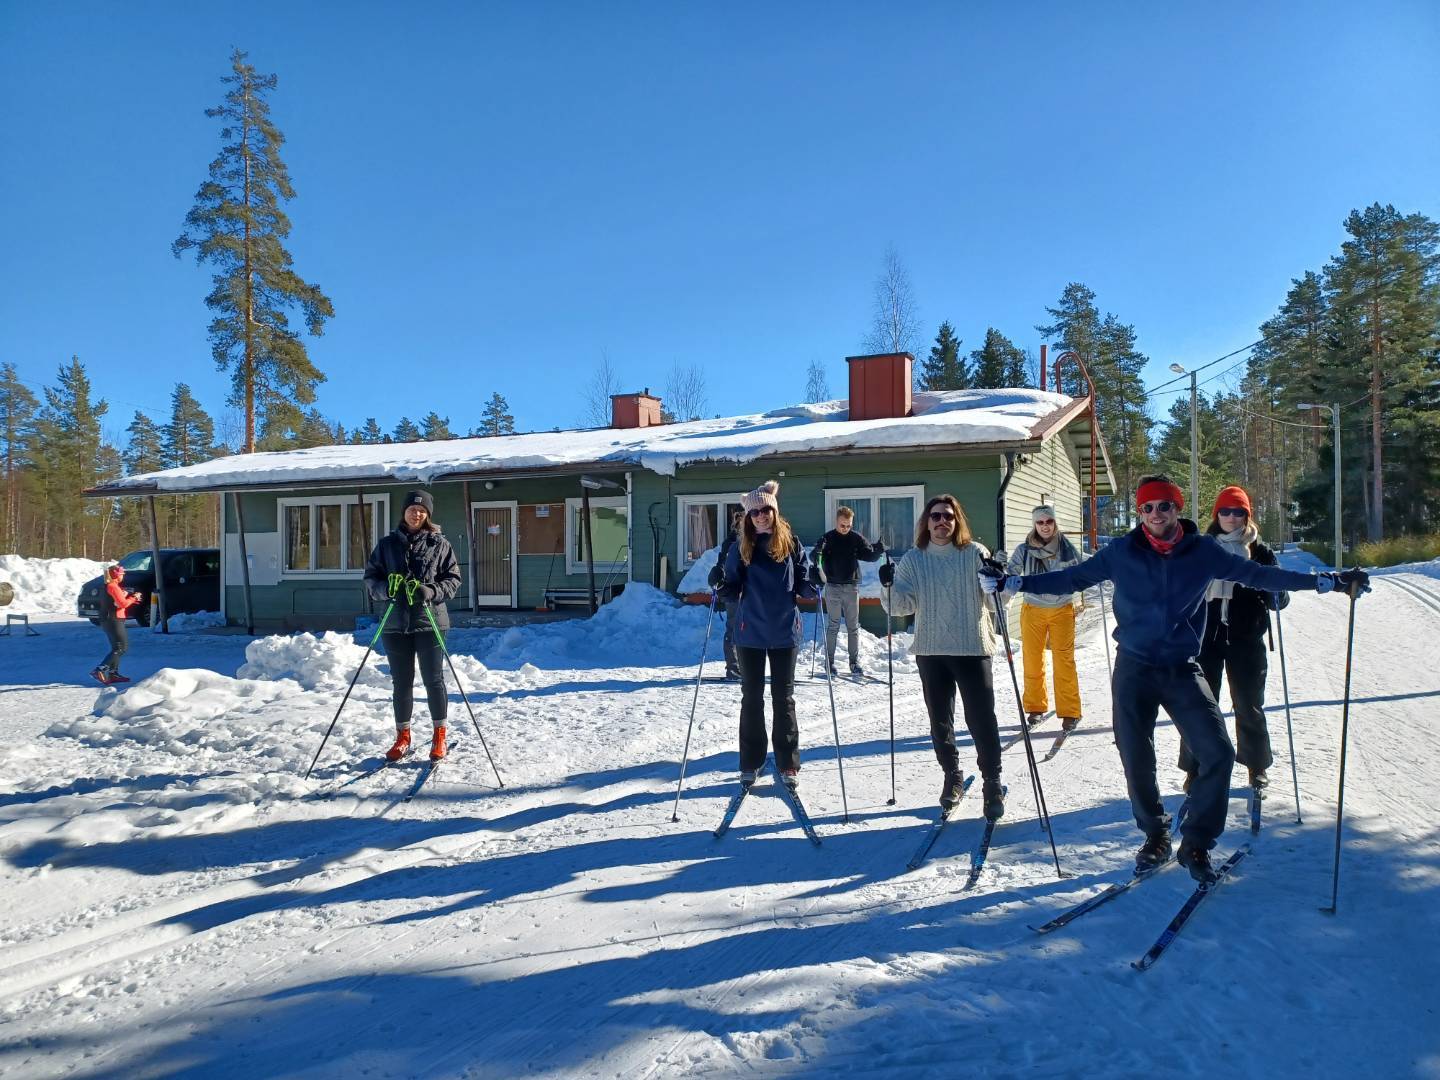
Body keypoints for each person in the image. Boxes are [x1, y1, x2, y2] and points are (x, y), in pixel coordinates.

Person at [981, 474, 1370, 883]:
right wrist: (1013, 582)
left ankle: (1196, 843)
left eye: (1163, 506)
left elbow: (1259, 575)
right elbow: (1070, 579)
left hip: (1182, 667)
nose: (1155, 514)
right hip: (1134, 667)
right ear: (1139, 512)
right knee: (1136, 758)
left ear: (1177, 509)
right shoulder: (1122, 552)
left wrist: (1326, 581)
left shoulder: (1201, 551)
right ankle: (1155, 835)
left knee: (1218, 753)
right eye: (1146, 507)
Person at [879, 494, 1006, 819]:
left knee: (981, 720)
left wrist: (998, 582)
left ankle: (992, 782)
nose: (942, 522)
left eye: (948, 516)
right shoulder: (913, 559)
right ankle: (952, 777)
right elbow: (900, 608)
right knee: (940, 722)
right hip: (931, 650)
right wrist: (888, 586)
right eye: (936, 516)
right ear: (927, 521)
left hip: (972, 648)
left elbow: (995, 604)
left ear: (957, 520)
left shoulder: (975, 554)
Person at [1178, 484, 1288, 793]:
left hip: (1246, 638)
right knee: (1199, 706)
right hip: (1205, 639)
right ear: (1217, 515)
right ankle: (1195, 769)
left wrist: (1275, 595)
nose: (1230, 516)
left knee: (1249, 704)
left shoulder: (1260, 552)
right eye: (1225, 511)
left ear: (1246, 516)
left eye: (1238, 511)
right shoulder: (1203, 549)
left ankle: (1256, 767)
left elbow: (1279, 594)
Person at [715, 480, 819, 788]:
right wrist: (720, 585)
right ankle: (751, 761)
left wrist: (815, 581)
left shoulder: (791, 544)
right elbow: (731, 590)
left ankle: (788, 763)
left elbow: (803, 585)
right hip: (750, 633)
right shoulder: (740, 548)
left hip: (785, 631)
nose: (761, 516)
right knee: (752, 698)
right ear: (748, 517)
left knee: (783, 699)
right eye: (755, 512)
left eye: (766, 510)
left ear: (775, 512)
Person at [363, 490, 463, 762]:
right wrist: (386, 589)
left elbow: (453, 580)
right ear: (404, 512)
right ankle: (402, 736)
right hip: (395, 623)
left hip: (430, 621)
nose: (416, 514)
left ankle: (439, 734)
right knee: (402, 683)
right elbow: (371, 579)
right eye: (412, 509)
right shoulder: (386, 545)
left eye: (422, 510)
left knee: (433, 680)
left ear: (428, 514)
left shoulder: (440, 544)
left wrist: (429, 591)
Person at [1005, 505, 1086, 731]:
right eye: (1040, 522)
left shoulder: (1067, 549)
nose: (1045, 526)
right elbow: (1012, 572)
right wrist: (1004, 571)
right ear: (1034, 524)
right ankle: (1035, 708)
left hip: (1062, 608)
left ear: (1054, 522)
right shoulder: (1024, 549)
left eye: (1048, 521)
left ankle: (1070, 711)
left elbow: (1081, 573)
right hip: (1033, 608)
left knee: (1064, 661)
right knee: (1032, 660)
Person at [813, 506, 886, 676]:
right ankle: (829, 663)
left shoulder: (855, 538)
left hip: (851, 587)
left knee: (853, 627)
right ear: (836, 522)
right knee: (833, 625)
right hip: (832, 587)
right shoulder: (828, 538)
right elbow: (815, 558)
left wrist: (878, 549)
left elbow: (868, 554)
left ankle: (854, 663)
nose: (845, 529)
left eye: (848, 525)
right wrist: (817, 553)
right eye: (842, 525)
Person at [709, 509, 745, 680]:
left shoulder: (731, 541)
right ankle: (734, 668)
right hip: (734, 590)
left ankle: (737, 667)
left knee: (736, 628)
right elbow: (722, 565)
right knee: (735, 628)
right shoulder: (735, 542)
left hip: (734, 590)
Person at [92, 563, 139, 684]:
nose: (123, 576)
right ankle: (100, 669)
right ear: (116, 575)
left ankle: (113, 673)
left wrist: (126, 596)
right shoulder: (113, 586)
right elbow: (122, 604)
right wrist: (134, 598)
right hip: (114, 620)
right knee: (122, 647)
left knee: (116, 648)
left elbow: (116, 602)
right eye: (122, 574)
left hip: (109, 619)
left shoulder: (108, 586)